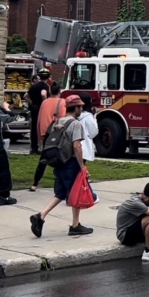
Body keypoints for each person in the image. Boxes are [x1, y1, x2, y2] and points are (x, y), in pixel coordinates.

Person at [29, 95, 94, 237]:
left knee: (61, 193)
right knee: (75, 192)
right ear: (76, 108)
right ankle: (75, 225)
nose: (81, 109)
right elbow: (77, 146)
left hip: (59, 161)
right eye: (80, 107)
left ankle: (41, 216)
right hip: (70, 162)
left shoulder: (57, 122)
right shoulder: (75, 124)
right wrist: (82, 166)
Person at [30, 84, 66, 191]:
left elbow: (39, 120)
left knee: (43, 160)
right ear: (59, 91)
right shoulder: (62, 102)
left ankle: (35, 183)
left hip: (45, 134)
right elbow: (63, 119)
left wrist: (40, 137)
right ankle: (61, 183)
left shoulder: (44, 102)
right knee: (62, 159)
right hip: (57, 134)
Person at [26, 69, 50, 154]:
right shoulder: (45, 86)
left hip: (34, 108)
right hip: (41, 109)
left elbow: (26, 96)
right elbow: (43, 94)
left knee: (34, 128)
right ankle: (43, 147)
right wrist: (46, 103)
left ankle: (33, 148)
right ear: (48, 77)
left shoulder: (33, 86)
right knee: (43, 128)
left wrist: (32, 104)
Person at [76, 93, 99, 165]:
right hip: (84, 147)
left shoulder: (74, 115)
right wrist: (94, 118)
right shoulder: (88, 116)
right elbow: (93, 132)